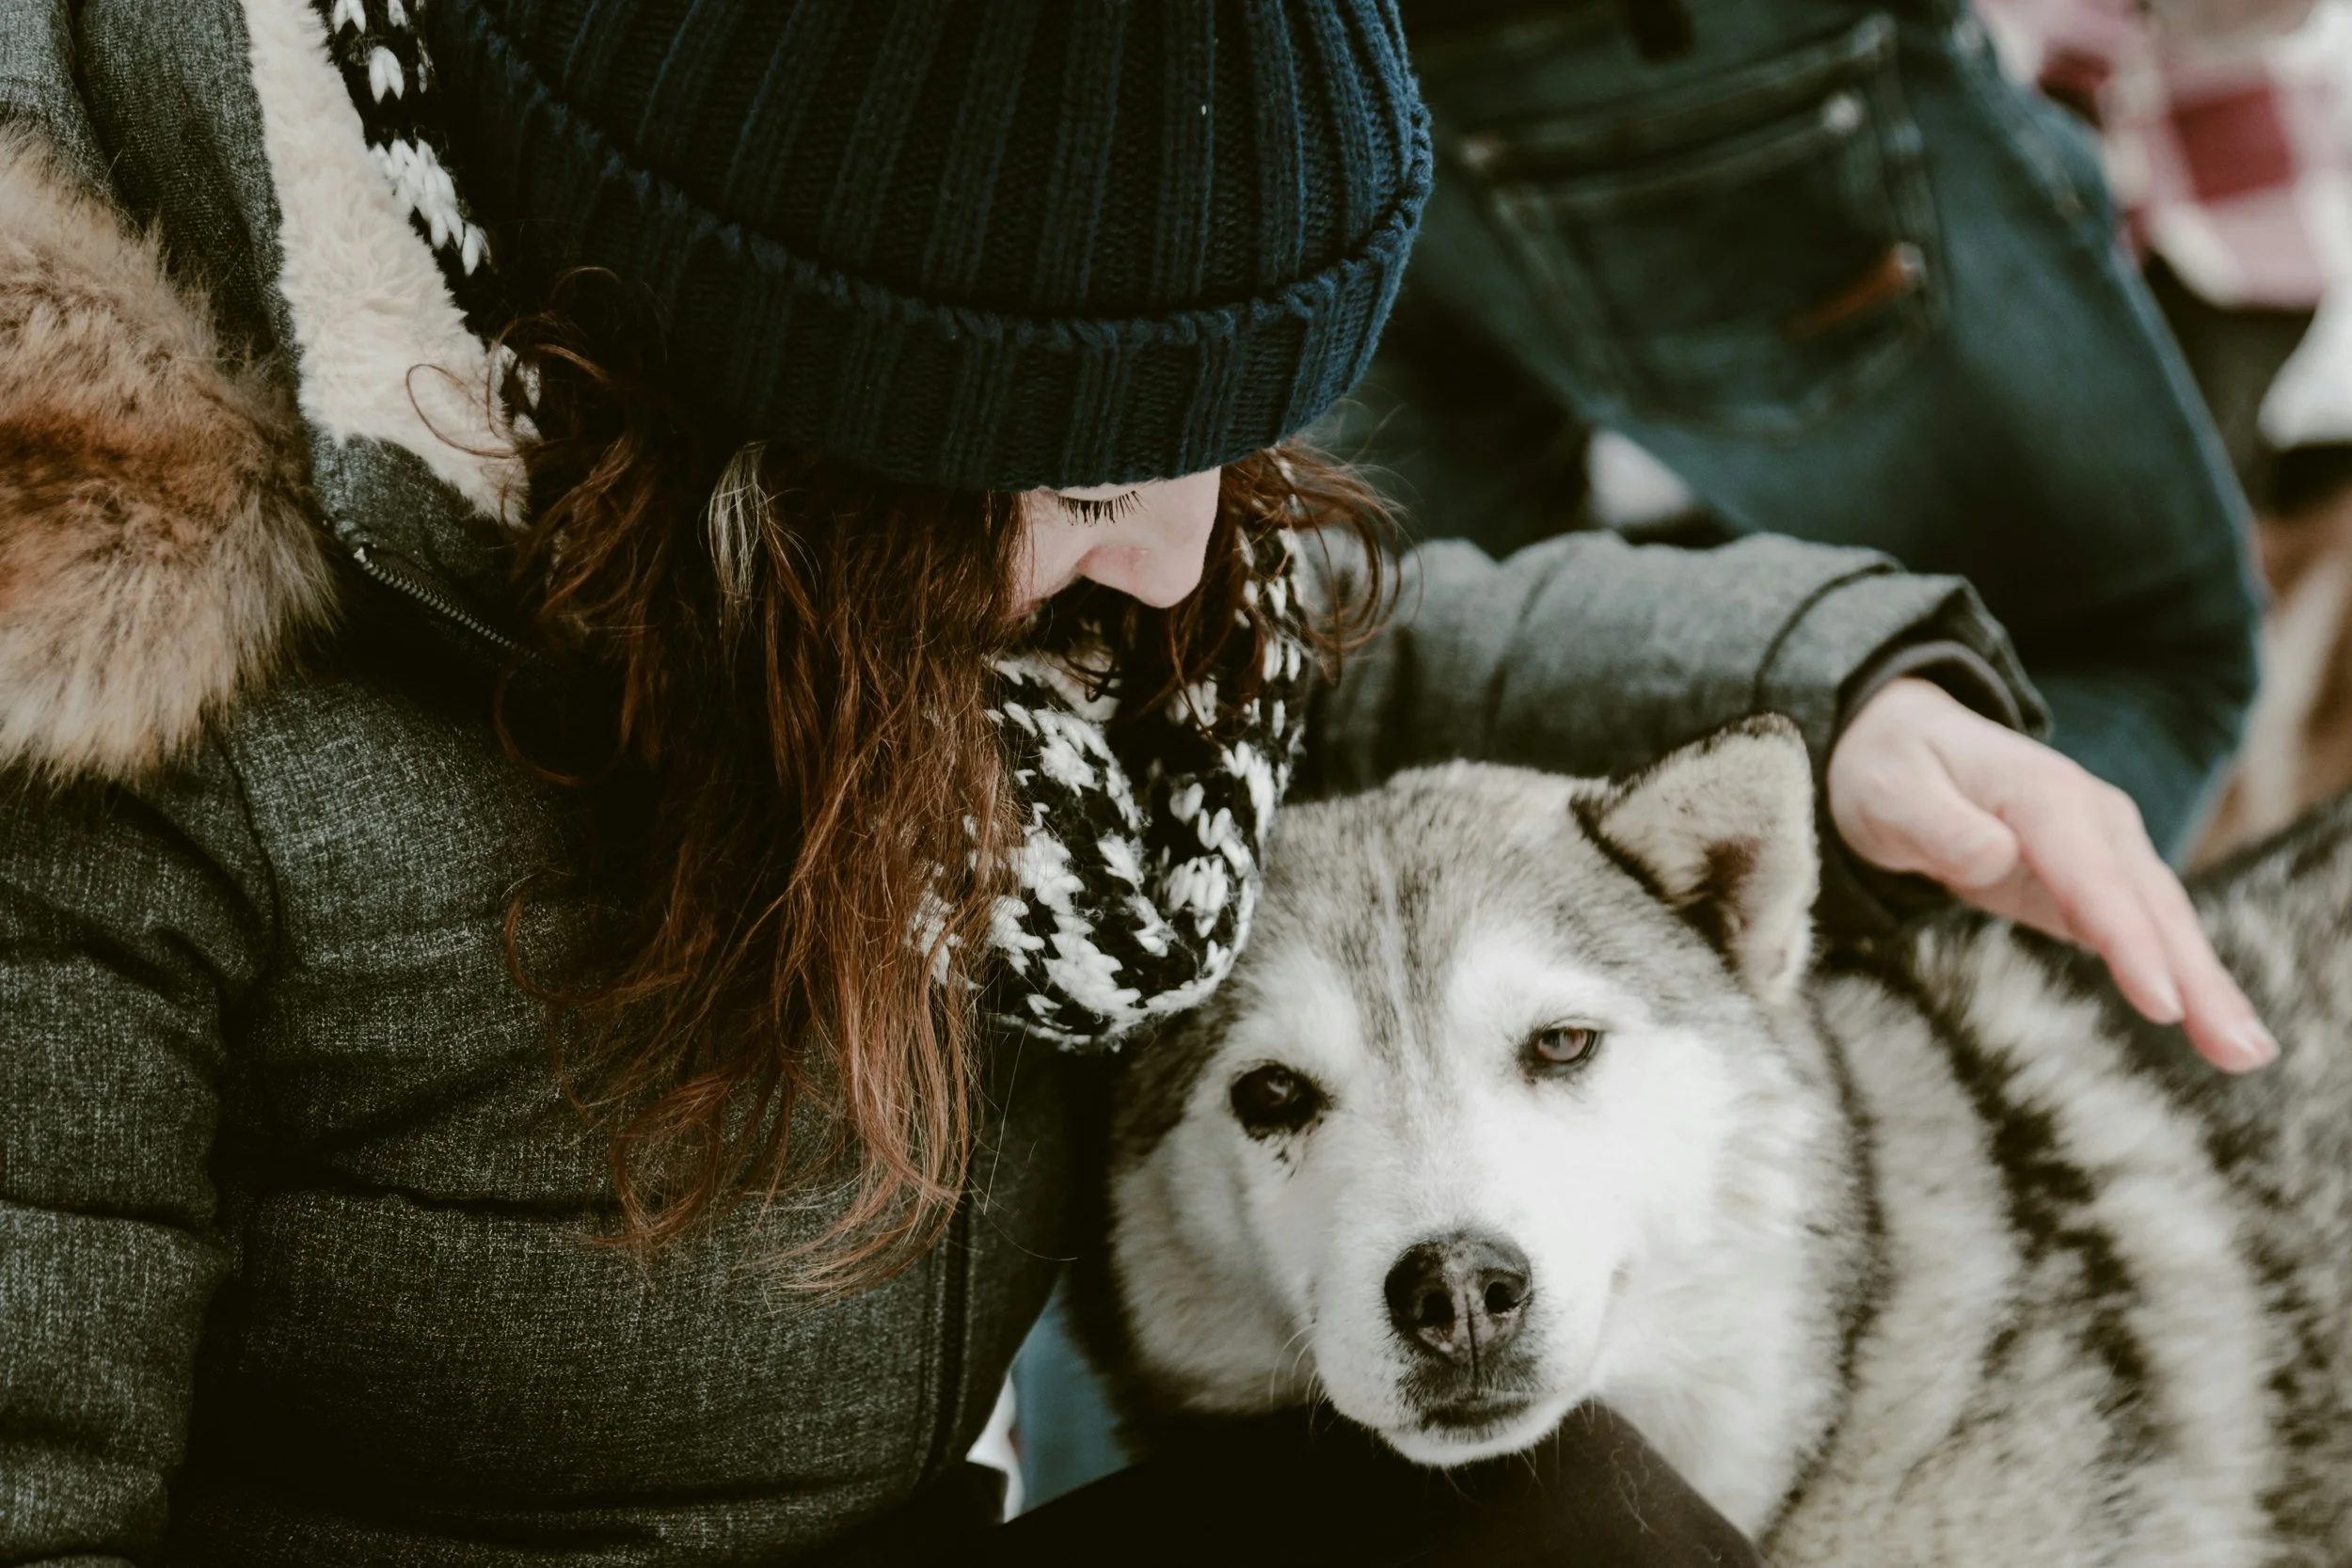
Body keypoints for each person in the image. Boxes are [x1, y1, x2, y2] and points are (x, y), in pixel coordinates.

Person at [0, 1, 2269, 1564]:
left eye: (1222, 442)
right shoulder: (115, 739)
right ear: (735, 412)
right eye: (1082, 470)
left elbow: (1306, 671)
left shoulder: (869, 549)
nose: (1171, 553)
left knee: (1578, 1525)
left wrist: (1816, 688)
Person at [1343, 0, 2267, 867]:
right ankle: (1847, 1019)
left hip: (1304, 76)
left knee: (1450, 684)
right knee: (2141, 653)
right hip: (1668, 51)